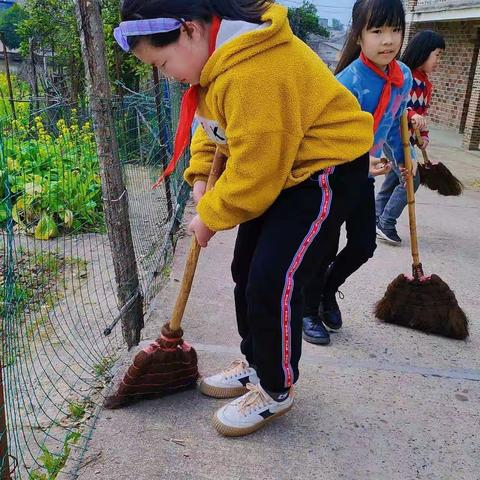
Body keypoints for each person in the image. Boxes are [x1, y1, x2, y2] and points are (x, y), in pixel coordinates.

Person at [115, 0, 373, 436]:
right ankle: (256, 362)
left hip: (322, 171)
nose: (170, 76)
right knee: (244, 270)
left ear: (191, 30)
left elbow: (255, 173)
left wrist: (211, 215)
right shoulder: (216, 61)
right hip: (282, 168)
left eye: (162, 62)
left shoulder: (255, 69)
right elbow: (213, 126)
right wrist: (199, 175)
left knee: (273, 280)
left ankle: (275, 389)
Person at [303, 0, 416, 345]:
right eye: (377, 31)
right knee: (322, 246)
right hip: (332, 177)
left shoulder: (403, 77)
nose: (388, 40)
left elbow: (395, 123)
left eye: (395, 30)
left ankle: (327, 292)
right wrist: (356, 160)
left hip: (363, 178)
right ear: (359, 35)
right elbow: (324, 140)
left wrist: (401, 159)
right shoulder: (346, 82)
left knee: (364, 245)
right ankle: (307, 309)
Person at [401, 30, 445, 148]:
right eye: (437, 54)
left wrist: (423, 134)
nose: (439, 61)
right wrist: (411, 114)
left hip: (407, 141)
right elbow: (394, 107)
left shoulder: (425, 84)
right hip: (392, 139)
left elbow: (421, 114)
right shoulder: (403, 77)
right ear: (423, 51)